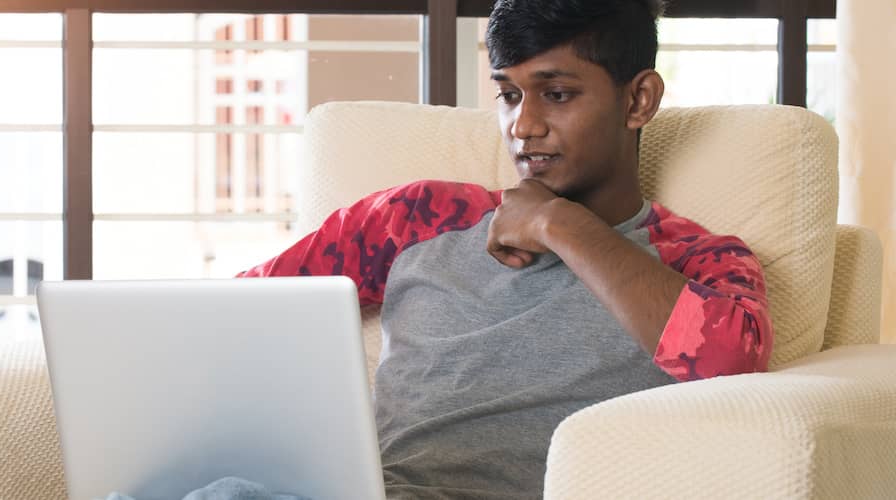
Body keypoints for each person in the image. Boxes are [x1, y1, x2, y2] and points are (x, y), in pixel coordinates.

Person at [235, 0, 774, 497]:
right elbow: (237, 316)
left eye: (557, 94)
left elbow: (729, 362)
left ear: (638, 100)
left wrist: (559, 224)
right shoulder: (413, 218)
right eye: (509, 95)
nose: (523, 125)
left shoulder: (699, 260)